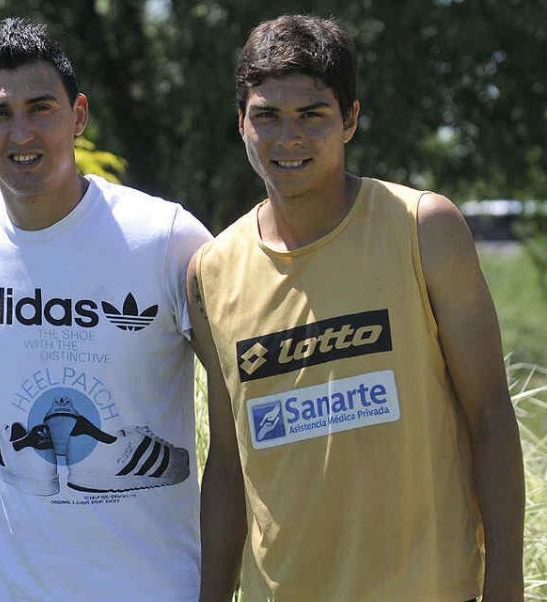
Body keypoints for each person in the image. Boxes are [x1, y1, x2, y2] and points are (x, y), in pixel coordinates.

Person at [189, 14, 525, 601]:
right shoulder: (210, 272)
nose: (287, 138)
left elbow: (492, 416)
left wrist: (505, 581)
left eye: (311, 115)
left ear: (349, 120)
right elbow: (227, 466)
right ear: (241, 122)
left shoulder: (423, 228)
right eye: (266, 116)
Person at [0, 18, 213, 600]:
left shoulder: (165, 237)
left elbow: (242, 389)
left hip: (149, 586)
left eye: (42, 109)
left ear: (78, 115)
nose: (21, 132)